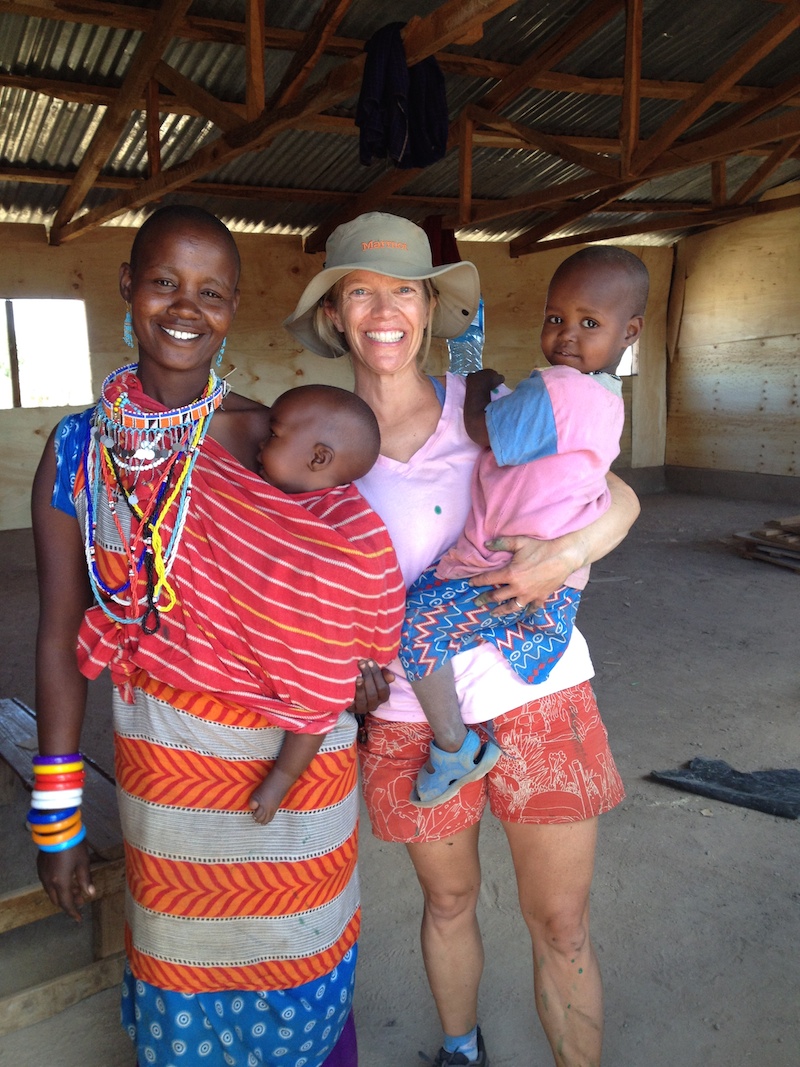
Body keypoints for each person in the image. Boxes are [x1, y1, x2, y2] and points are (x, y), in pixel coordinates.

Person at [30, 205, 404, 1067]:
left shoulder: (274, 436)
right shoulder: (80, 451)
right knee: (188, 968)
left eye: (211, 291)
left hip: (299, 774)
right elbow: (58, 637)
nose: (185, 307)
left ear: (233, 306)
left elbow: (352, 567)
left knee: (304, 954)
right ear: (127, 285)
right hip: (169, 773)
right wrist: (58, 815)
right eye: (164, 281)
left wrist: (368, 664)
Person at [283, 212, 640, 1067]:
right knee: (449, 903)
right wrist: (342, 667)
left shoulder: (484, 406)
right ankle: (460, 1048)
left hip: (538, 689)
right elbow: (298, 582)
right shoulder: (312, 442)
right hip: (412, 712)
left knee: (560, 919)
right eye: (357, 291)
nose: (381, 310)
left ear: (429, 305)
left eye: (402, 289)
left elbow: (615, 493)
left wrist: (571, 552)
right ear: (333, 313)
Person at [398, 246, 649, 806]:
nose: (566, 335)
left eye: (589, 323)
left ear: (630, 330)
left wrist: (479, 379)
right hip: (554, 580)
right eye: (555, 318)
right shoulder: (608, 401)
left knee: (414, 627)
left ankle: (454, 747)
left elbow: (486, 432)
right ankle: (535, 637)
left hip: (500, 568)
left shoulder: (560, 387)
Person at [249, 382, 390, 824]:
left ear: (318, 458)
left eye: (273, 435)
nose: (258, 445)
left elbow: (361, 585)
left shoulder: (343, 524)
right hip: (309, 644)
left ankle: (283, 777)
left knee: (319, 688)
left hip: (338, 655)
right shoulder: (294, 503)